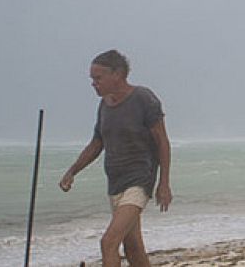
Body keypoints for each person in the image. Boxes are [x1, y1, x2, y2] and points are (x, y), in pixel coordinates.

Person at [59, 50, 173, 267]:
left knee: (109, 242)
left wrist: (164, 183)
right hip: (115, 183)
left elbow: (162, 142)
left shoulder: (143, 98)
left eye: (98, 78)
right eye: (92, 79)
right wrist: (72, 171)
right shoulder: (104, 105)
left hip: (140, 180)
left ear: (118, 74)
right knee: (133, 249)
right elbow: (96, 143)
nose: (94, 83)